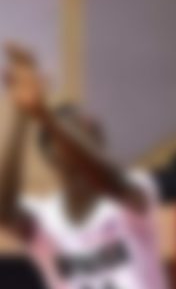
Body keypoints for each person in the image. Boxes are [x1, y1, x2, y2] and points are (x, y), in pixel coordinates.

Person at [0, 43, 166, 289]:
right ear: (51, 153)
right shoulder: (46, 217)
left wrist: (42, 113)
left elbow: (108, 182)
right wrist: (21, 113)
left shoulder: (134, 191)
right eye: (74, 131)